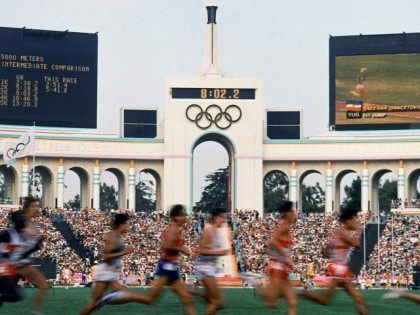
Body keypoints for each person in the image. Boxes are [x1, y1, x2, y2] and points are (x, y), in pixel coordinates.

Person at [299, 207, 368, 315]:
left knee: (358, 299)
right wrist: (359, 229)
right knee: (327, 299)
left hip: (340, 268)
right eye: (353, 219)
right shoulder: (342, 231)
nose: (355, 222)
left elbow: (325, 252)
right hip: (339, 270)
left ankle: (303, 293)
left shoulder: (338, 232)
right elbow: (356, 244)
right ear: (347, 220)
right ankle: (303, 293)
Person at [80, 213, 149, 315]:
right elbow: (106, 256)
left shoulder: (117, 236)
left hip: (110, 272)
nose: (128, 226)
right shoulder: (112, 237)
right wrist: (125, 252)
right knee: (93, 303)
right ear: (121, 225)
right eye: (127, 224)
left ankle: (104, 300)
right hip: (105, 272)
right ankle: (104, 300)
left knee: (122, 292)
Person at [144, 204, 196, 315]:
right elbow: (166, 246)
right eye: (183, 215)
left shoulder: (177, 229)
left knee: (187, 299)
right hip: (166, 267)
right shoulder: (173, 229)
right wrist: (182, 249)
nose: (185, 217)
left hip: (172, 267)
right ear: (175, 217)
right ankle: (115, 298)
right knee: (149, 299)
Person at [258, 201, 298, 315]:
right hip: (277, 268)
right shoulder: (283, 226)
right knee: (272, 302)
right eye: (292, 211)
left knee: (293, 301)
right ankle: (256, 282)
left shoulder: (286, 226)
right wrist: (286, 258)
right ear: (286, 213)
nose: (294, 213)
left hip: (282, 268)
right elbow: (272, 241)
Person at [16, 197, 49, 315]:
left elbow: (30, 248)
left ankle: (36, 312)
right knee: (43, 285)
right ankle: (35, 312)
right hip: (16, 260)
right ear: (28, 207)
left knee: (43, 285)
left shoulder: (33, 225)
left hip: (22, 260)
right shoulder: (20, 220)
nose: (37, 209)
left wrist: (39, 242)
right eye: (35, 206)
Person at [194, 207, 230, 315]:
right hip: (205, 267)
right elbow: (201, 250)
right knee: (217, 302)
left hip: (210, 267)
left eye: (225, 218)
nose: (224, 220)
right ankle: (190, 292)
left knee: (213, 301)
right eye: (222, 217)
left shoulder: (216, 232)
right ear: (215, 217)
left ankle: (192, 292)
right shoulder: (209, 229)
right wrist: (221, 252)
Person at [0, 211, 38, 308]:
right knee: (15, 295)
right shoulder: (8, 233)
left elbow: (21, 255)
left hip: (12, 269)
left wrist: (35, 248)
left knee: (14, 296)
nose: (25, 221)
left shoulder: (23, 236)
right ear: (16, 221)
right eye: (23, 219)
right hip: (4, 269)